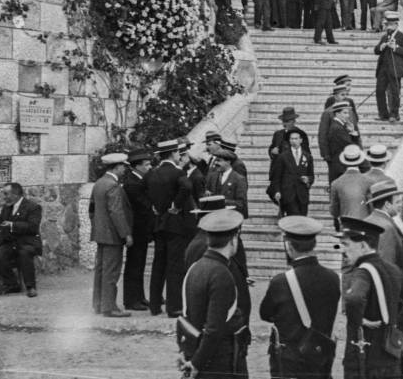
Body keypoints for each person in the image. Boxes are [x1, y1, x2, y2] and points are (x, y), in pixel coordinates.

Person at [337, 216, 403, 379]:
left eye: (347, 244)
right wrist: (397, 327)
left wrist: (359, 321)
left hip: (364, 359)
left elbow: (354, 298)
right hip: (391, 356)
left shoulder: (362, 272)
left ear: (363, 246)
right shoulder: (392, 269)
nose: (343, 250)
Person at [260, 216, 340, 379]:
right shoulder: (332, 277)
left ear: (289, 246)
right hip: (320, 357)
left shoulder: (281, 281)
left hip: (290, 361)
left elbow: (265, 314)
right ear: (314, 244)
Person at [177, 209, 250, 379]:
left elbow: (185, 317)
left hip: (197, 352)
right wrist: (196, 364)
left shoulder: (196, 267)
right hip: (219, 362)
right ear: (233, 240)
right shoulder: (222, 273)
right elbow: (214, 328)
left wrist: (186, 352)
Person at [146, 138, 192, 317]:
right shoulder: (178, 173)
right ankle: (174, 307)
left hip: (158, 223)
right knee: (174, 266)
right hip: (174, 224)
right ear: (173, 154)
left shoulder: (152, 173)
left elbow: (142, 190)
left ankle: (155, 305)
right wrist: (176, 205)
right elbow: (187, 187)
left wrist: (153, 205)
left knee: (158, 264)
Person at [90, 152, 134, 317]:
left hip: (101, 233)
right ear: (116, 167)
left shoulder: (99, 183)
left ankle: (99, 304)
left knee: (101, 270)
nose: (124, 170)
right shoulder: (113, 186)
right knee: (111, 271)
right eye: (123, 167)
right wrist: (126, 234)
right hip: (112, 235)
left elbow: (92, 210)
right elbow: (116, 212)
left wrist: (97, 227)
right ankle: (109, 307)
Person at [0, 182, 42, 297]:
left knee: (24, 253)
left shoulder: (33, 207)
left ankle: (31, 287)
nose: (4, 197)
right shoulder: (7, 208)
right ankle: (12, 285)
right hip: (11, 243)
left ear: (16, 194)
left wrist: (12, 225)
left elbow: (33, 227)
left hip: (28, 242)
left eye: (6, 194)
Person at [122, 148, 154, 311]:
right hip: (136, 230)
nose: (150, 167)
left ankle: (139, 297)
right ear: (137, 166)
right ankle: (131, 300)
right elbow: (144, 205)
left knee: (139, 263)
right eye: (147, 165)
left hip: (141, 230)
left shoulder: (139, 180)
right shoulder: (132, 183)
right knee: (134, 264)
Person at [374, 11, 403, 123]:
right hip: (383, 69)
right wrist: (381, 47)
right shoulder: (384, 37)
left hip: (395, 69)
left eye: (390, 25)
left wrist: (396, 47)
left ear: (396, 24)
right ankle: (383, 114)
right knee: (379, 91)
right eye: (387, 25)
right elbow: (376, 51)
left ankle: (394, 114)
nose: (388, 27)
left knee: (395, 92)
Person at [272, 127, 314, 217]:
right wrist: (277, 191)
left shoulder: (308, 156)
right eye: (291, 139)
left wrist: (308, 179)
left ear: (301, 140)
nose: (294, 141)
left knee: (302, 218)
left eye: (296, 138)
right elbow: (277, 177)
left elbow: (311, 175)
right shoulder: (283, 157)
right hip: (289, 194)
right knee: (294, 218)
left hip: (302, 195)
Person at [366, 178, 403, 268]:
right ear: (387, 205)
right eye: (397, 202)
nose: (401, 205)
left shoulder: (366, 221)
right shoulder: (387, 227)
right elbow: (388, 264)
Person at [329, 146, 373, 230]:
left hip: (346, 225)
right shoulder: (369, 181)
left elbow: (334, 211)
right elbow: (372, 208)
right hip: (366, 225)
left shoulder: (336, 183)